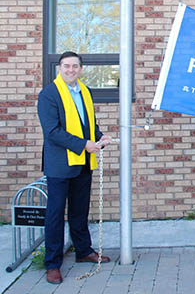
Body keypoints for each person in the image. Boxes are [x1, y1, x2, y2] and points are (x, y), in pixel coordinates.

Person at [37, 52, 112, 284]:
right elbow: (52, 131)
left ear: (81, 69)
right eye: (66, 66)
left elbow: (88, 123)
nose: (71, 70)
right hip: (60, 165)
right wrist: (84, 145)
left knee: (80, 211)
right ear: (60, 68)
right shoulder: (49, 94)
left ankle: (83, 251)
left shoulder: (85, 91)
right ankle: (52, 264)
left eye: (75, 66)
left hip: (82, 163)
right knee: (55, 215)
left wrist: (100, 136)